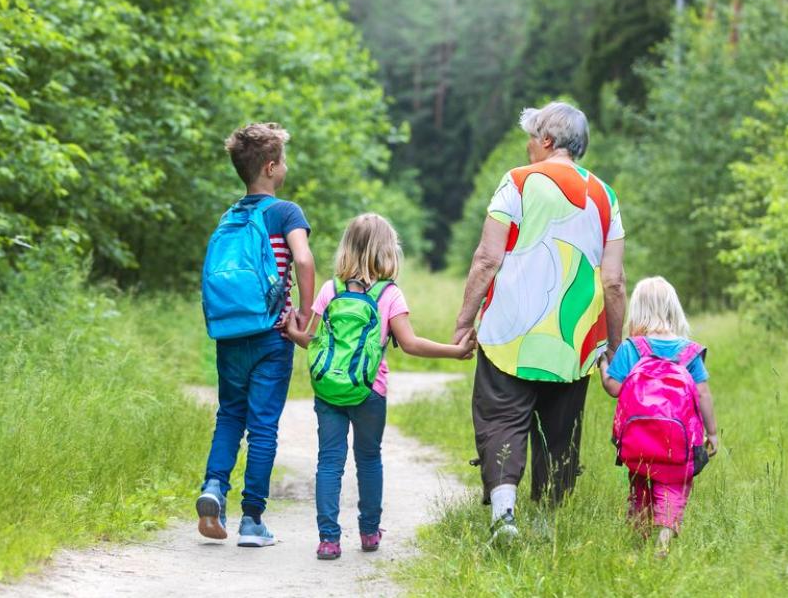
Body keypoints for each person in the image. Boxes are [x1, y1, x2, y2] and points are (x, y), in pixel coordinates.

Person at [452, 101, 627, 544]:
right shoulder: (605, 196)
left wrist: (464, 321)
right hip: (574, 336)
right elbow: (614, 281)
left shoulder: (517, 181)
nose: (528, 146)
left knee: (501, 417)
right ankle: (549, 522)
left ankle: (505, 515)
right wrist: (613, 344)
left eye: (532, 137)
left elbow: (487, 258)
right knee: (560, 431)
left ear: (547, 141)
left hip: (510, 330)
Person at [285, 213, 475, 560]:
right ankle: (369, 532)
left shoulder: (330, 289)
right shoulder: (389, 294)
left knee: (329, 462)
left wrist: (293, 331)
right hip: (371, 390)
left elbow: (312, 341)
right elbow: (411, 343)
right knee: (369, 458)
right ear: (388, 251)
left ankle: (328, 539)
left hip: (328, 389)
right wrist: (456, 351)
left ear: (346, 248)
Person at [195, 122, 315, 547]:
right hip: (272, 335)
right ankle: (252, 521)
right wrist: (303, 315)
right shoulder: (285, 212)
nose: (285, 167)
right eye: (283, 160)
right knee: (263, 426)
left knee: (230, 414)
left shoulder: (229, 216)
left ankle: (213, 488)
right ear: (270, 167)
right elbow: (303, 260)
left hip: (230, 332)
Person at [600, 277, 718, 556]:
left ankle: (638, 540)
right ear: (673, 309)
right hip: (679, 439)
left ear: (638, 310)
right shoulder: (689, 351)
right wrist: (712, 432)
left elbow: (614, 388)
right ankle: (664, 537)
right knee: (675, 483)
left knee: (640, 480)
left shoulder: (632, 348)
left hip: (638, 437)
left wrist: (604, 366)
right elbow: (702, 393)